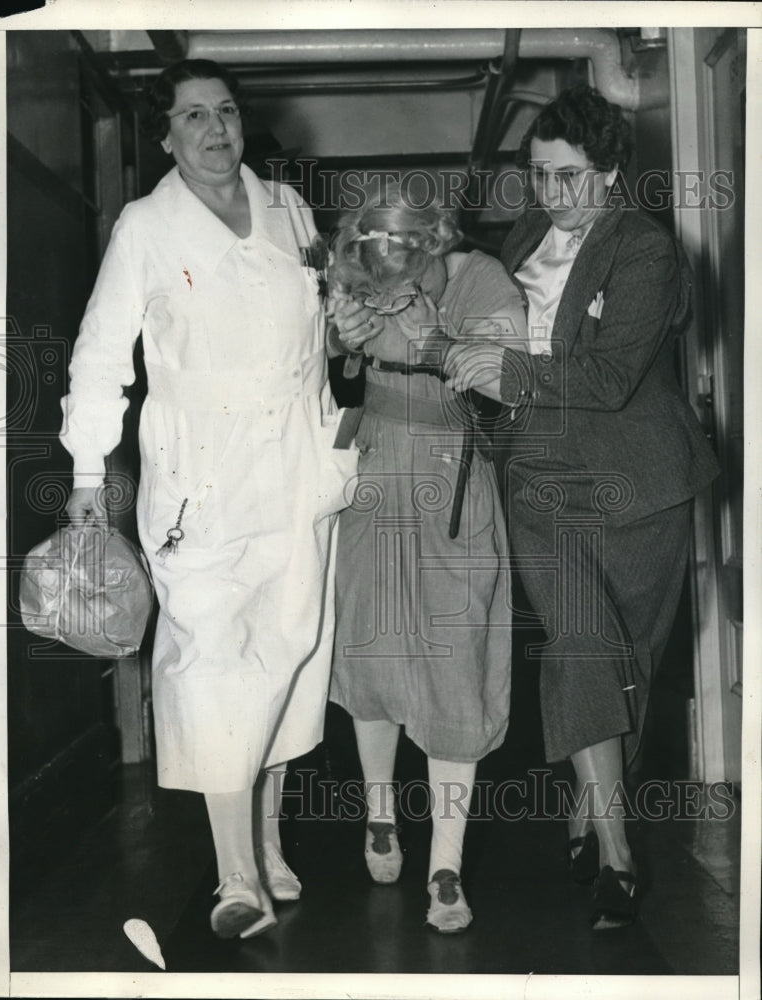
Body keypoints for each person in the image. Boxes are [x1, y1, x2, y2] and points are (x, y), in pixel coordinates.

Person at [346, 85, 720, 930]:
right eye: (542, 178)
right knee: (582, 644)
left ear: (612, 174)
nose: (554, 195)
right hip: (541, 480)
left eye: (571, 178)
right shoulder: (522, 239)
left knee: (633, 662)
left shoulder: (646, 251)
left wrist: (502, 370)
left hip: (640, 483)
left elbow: (609, 378)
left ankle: (592, 813)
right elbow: (459, 310)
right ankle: (619, 857)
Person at [60, 58, 357, 940]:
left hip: (297, 466)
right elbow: (101, 354)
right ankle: (236, 875)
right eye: (193, 115)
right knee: (214, 659)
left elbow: (328, 334)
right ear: (166, 135)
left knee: (289, 649)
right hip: (199, 476)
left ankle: (265, 841)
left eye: (225, 111)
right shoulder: (145, 228)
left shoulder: (291, 212)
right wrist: (85, 475)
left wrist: (362, 328)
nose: (215, 128)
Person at [327, 181, 526, 933]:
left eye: (404, 275)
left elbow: (506, 389)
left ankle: (446, 863)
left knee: (455, 669)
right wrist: (337, 341)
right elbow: (328, 386)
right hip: (374, 477)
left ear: (437, 243)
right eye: (374, 273)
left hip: (453, 487)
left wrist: (435, 342)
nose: (388, 287)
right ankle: (380, 814)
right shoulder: (355, 274)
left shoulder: (485, 282)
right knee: (369, 654)